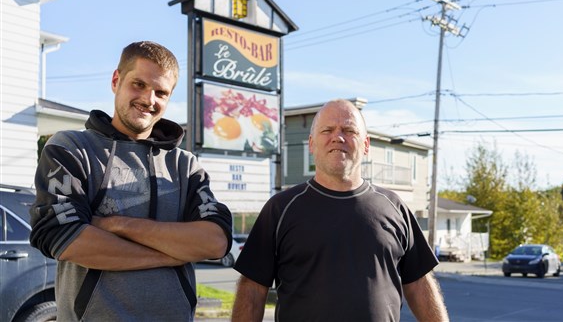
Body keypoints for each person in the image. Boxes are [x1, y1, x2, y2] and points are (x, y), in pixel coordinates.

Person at [29, 41, 233, 322]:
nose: (149, 100)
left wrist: (117, 225)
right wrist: (172, 254)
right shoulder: (71, 148)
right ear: (116, 80)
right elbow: (65, 239)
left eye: (161, 92)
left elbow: (215, 242)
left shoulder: (185, 166)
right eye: (138, 84)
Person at [231, 99, 449, 322]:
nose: (338, 136)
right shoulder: (280, 209)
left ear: (366, 144)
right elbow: (252, 290)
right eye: (327, 130)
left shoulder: (394, 206)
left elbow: (419, 283)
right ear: (312, 144)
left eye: (348, 130)